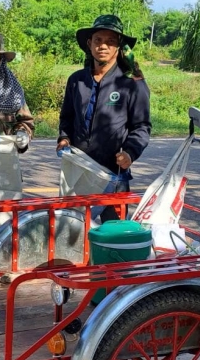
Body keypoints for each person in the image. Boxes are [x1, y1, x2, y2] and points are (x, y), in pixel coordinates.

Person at [57, 15, 151, 222]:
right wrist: (64, 138)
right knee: (74, 229)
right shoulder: (77, 80)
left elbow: (141, 126)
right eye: (98, 40)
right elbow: (67, 117)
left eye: (110, 42)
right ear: (89, 44)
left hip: (113, 173)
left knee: (113, 234)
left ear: (119, 47)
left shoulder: (132, 82)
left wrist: (130, 152)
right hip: (79, 171)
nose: (103, 46)